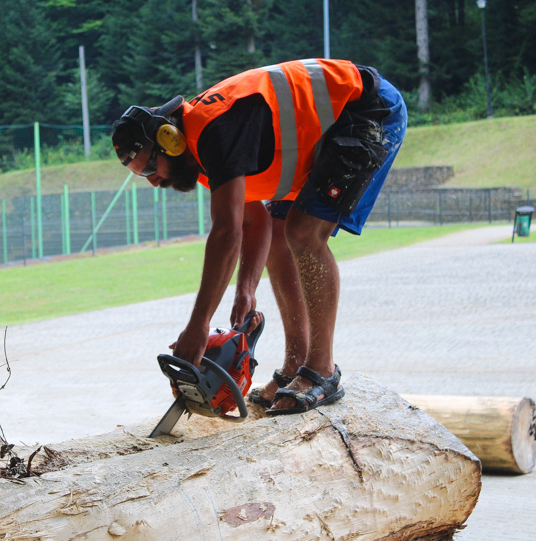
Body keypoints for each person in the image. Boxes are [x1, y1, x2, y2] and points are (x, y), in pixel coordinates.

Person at [112, 59, 407, 416]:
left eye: (147, 168)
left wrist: (198, 325)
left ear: (168, 140)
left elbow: (226, 232)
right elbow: (255, 223)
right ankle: (295, 363)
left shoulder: (214, 131)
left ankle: (322, 372)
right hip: (320, 134)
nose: (152, 181)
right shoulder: (204, 154)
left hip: (367, 110)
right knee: (282, 237)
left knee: (304, 231)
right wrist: (246, 289)